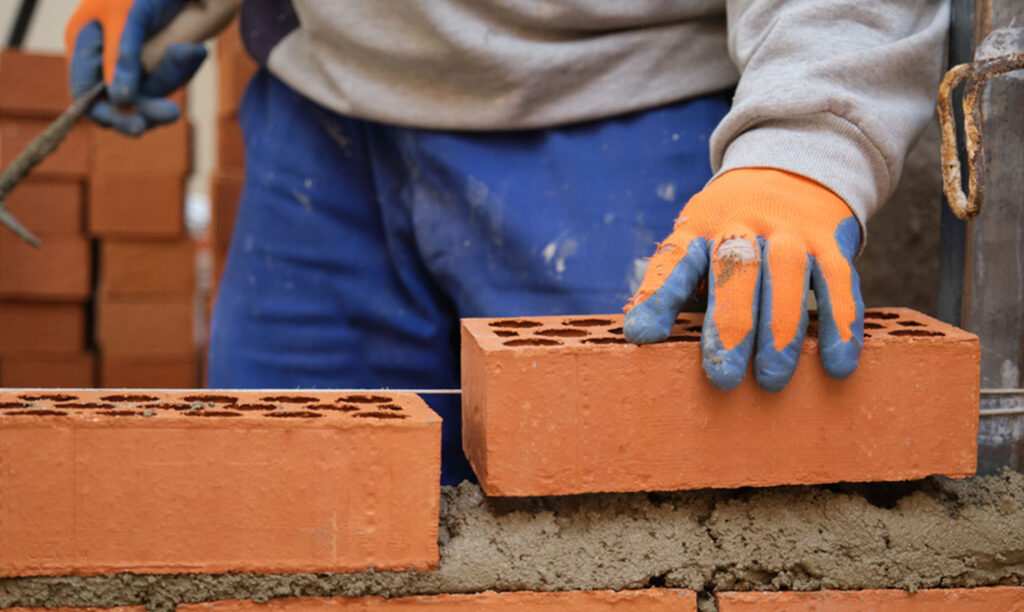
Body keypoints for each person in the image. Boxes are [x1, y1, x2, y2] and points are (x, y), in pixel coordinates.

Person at [66, 0, 949, 484]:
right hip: (321, 120)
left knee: (633, 595)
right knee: (270, 545)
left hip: (619, 103)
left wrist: (802, 145)